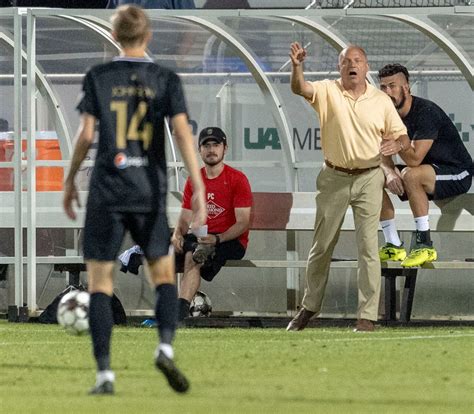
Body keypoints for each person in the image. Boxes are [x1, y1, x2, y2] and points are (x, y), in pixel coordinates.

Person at [63, 5, 206, 395]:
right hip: (148, 190)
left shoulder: (99, 76)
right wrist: (199, 185)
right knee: (162, 275)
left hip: (108, 191)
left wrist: (70, 178)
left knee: (100, 283)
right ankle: (164, 347)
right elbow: (181, 134)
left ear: (114, 36)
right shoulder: (165, 78)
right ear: (149, 36)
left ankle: (105, 375)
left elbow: (86, 135)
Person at [286, 42, 408, 333]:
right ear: (339, 68)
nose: (352, 64)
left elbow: (401, 137)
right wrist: (296, 66)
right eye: (345, 61)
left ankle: (367, 316)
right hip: (334, 177)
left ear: (366, 67)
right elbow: (299, 88)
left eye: (357, 60)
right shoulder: (328, 90)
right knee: (322, 246)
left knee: (368, 247)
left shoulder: (381, 101)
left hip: (369, 177)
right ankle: (310, 306)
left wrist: (397, 144)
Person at [119, 126, 253, 321]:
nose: (211, 150)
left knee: (193, 253)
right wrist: (178, 234)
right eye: (206, 145)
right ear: (199, 150)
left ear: (225, 148)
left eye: (216, 145)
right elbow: (184, 218)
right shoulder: (194, 180)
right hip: (200, 238)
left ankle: (179, 314)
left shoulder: (237, 179)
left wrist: (217, 238)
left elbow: (243, 223)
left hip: (230, 241)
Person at [377, 63, 473, 267]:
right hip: (424, 174)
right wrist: (390, 172)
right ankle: (393, 244)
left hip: (457, 172)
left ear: (406, 87)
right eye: (383, 87)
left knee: (411, 174)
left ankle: (425, 245)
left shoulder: (426, 112)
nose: (387, 92)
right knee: (372, 177)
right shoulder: (385, 115)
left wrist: (399, 143)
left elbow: (413, 159)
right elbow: (383, 154)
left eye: (392, 86)